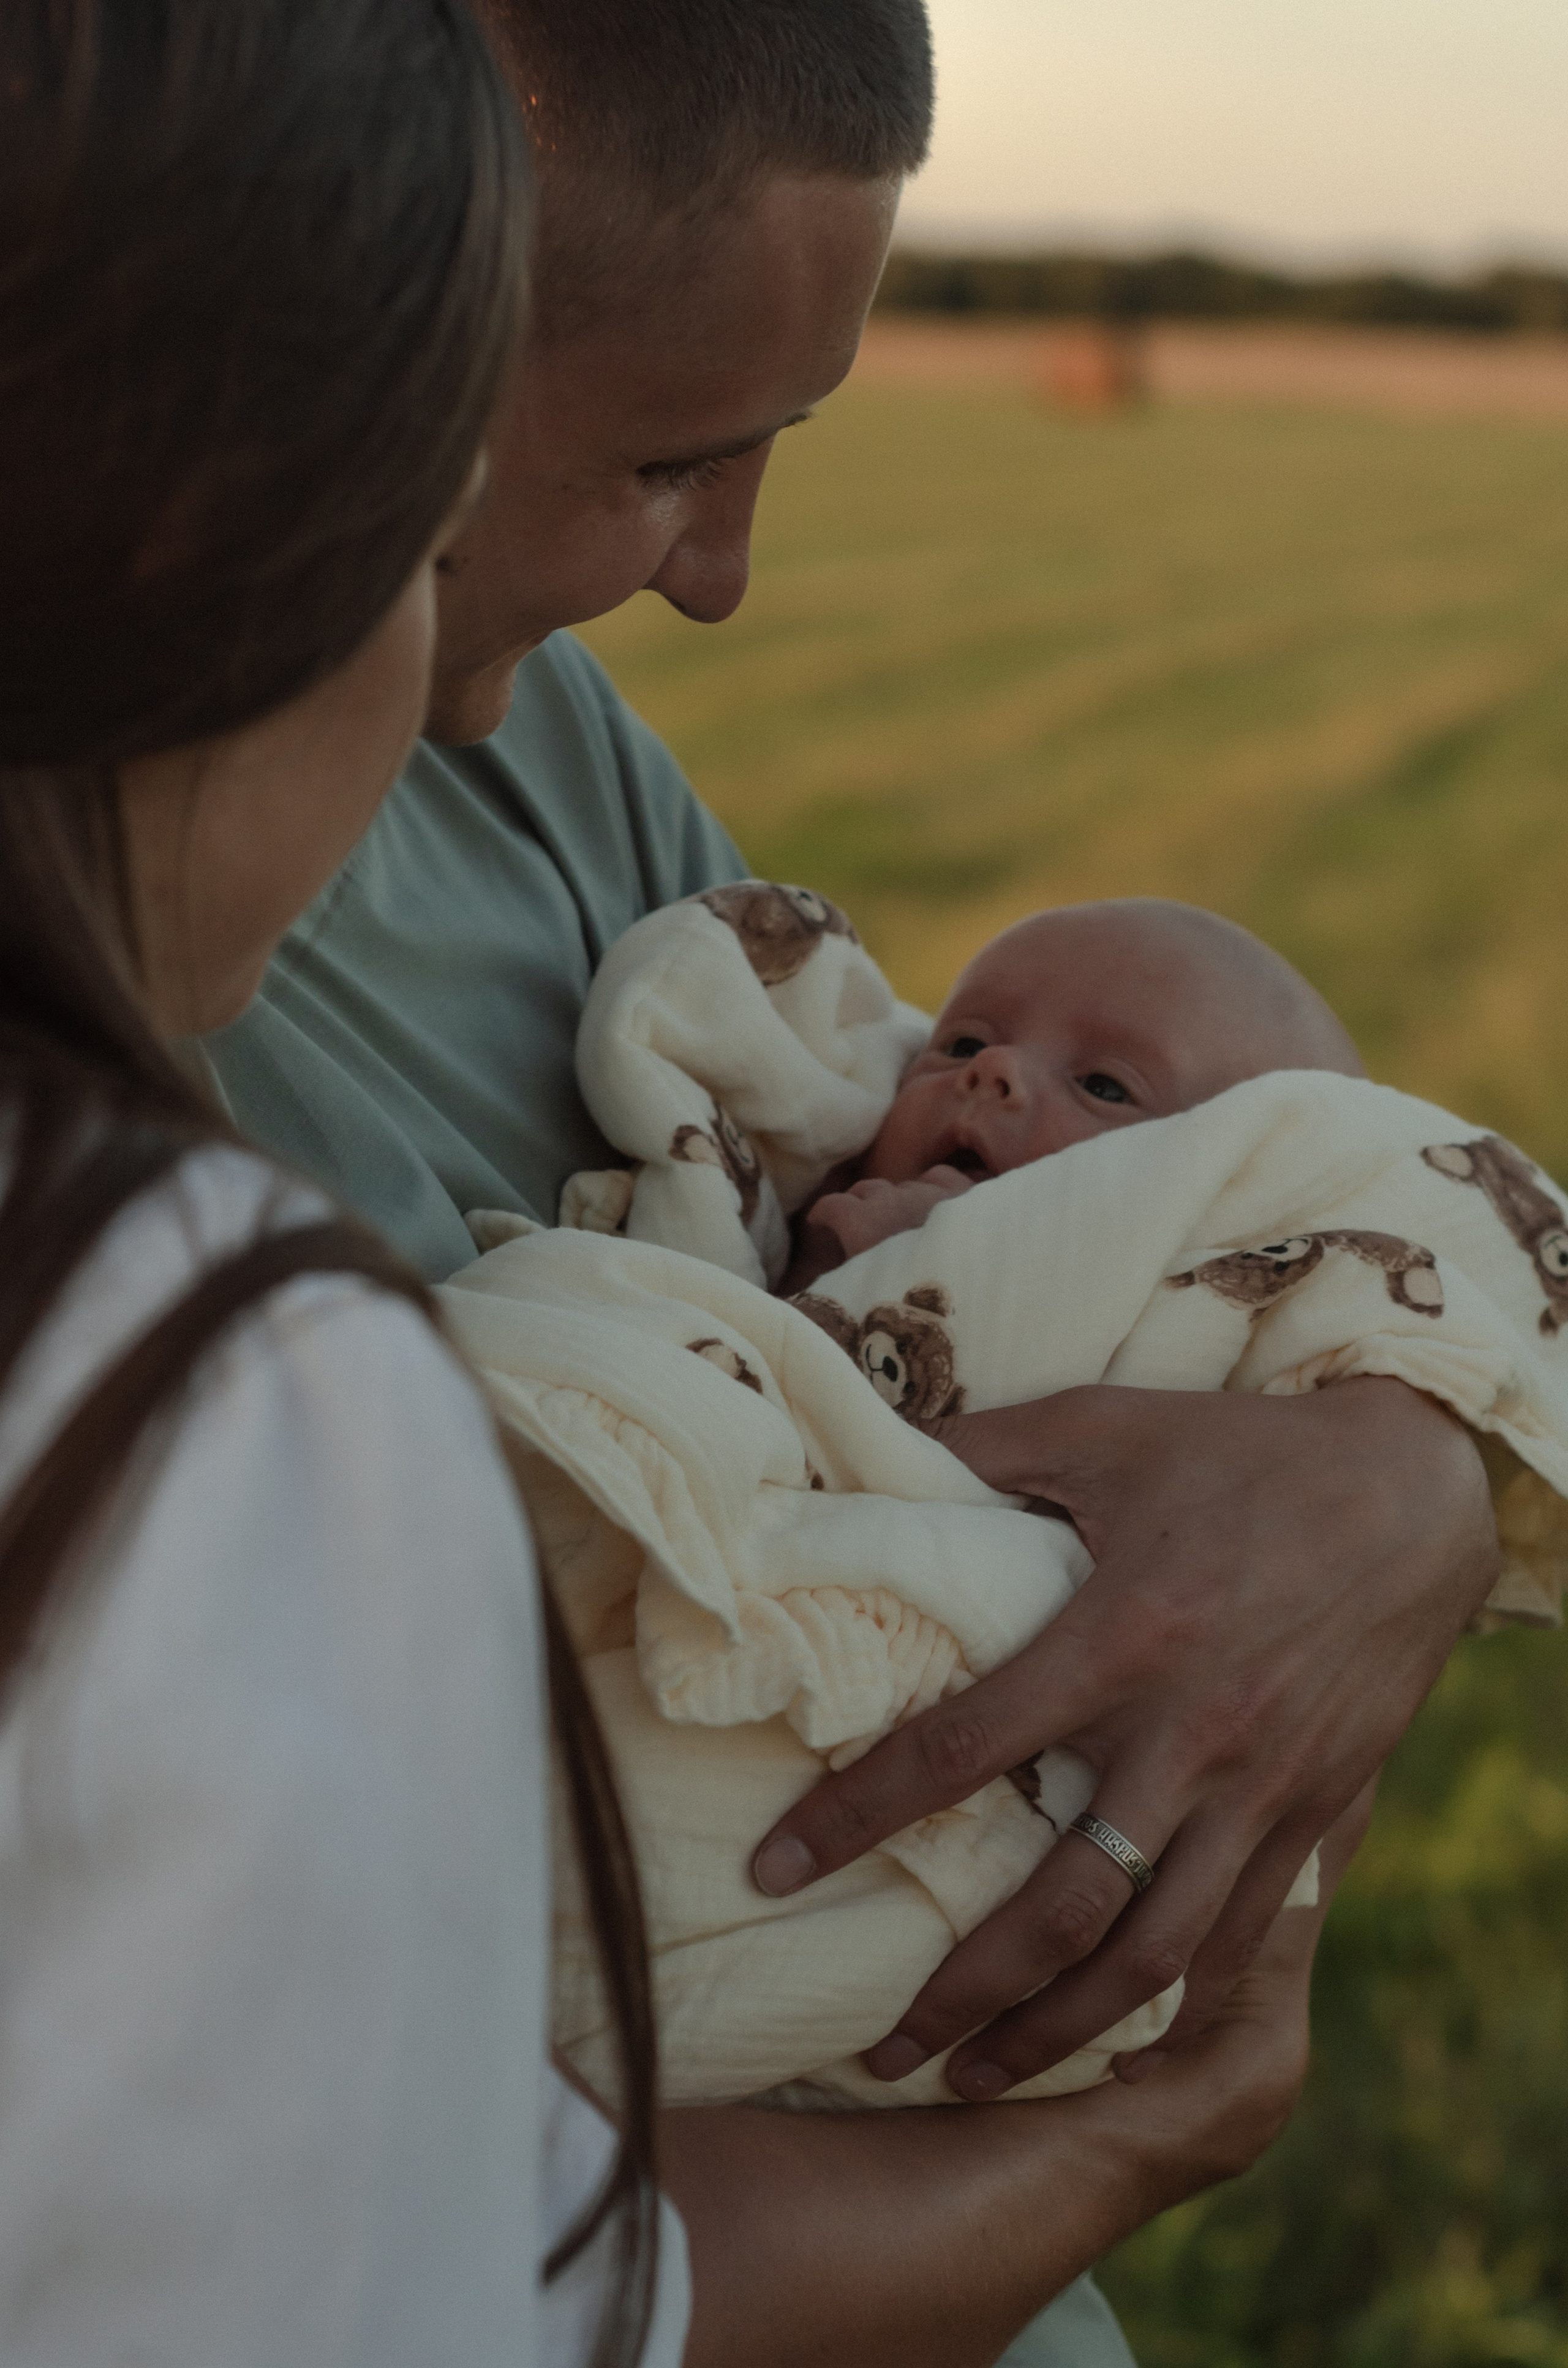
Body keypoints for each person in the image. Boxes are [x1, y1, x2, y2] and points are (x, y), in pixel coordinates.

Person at [0, 6, 1381, 2366]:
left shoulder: (546, 768)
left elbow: (999, 1200)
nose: (723, 579)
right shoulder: (196, 1342)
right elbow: (432, 2281)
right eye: (661, 459)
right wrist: (1135, 2136)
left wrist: (1391, 1461)